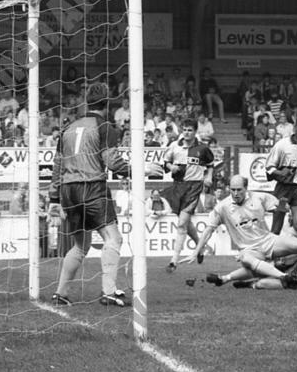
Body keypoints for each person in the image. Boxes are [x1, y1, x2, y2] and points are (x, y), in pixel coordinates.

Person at [48, 82, 154, 307]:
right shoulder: (104, 126)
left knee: (80, 246)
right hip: (92, 186)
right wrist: (142, 170)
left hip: (68, 190)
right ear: (108, 103)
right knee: (113, 238)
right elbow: (113, 163)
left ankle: (60, 293)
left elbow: (57, 165)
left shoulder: (68, 127)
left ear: (87, 102)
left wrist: (54, 199)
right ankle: (109, 292)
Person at [198, 175, 297, 286]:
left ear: (246, 188)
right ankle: (284, 277)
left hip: (268, 242)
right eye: (233, 190)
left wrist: (284, 206)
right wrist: (197, 250)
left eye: (239, 190)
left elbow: (281, 208)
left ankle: (225, 279)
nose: (236, 193)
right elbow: (209, 229)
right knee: (249, 263)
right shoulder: (223, 207)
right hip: (250, 249)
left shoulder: (259, 197)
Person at [163, 117, 215, 272]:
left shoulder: (202, 148)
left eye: (190, 130)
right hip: (178, 187)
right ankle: (201, 246)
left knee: (181, 224)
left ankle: (174, 261)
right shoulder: (174, 146)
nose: (186, 133)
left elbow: (210, 164)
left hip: (194, 187)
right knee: (185, 222)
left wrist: (209, 177)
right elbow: (165, 162)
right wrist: (171, 167)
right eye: (184, 130)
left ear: (195, 131)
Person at [265, 114, 297, 237]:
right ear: (295, 128)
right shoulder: (282, 144)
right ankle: (274, 247)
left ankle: (288, 244)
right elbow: (268, 167)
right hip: (283, 190)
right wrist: (280, 172)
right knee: (276, 228)